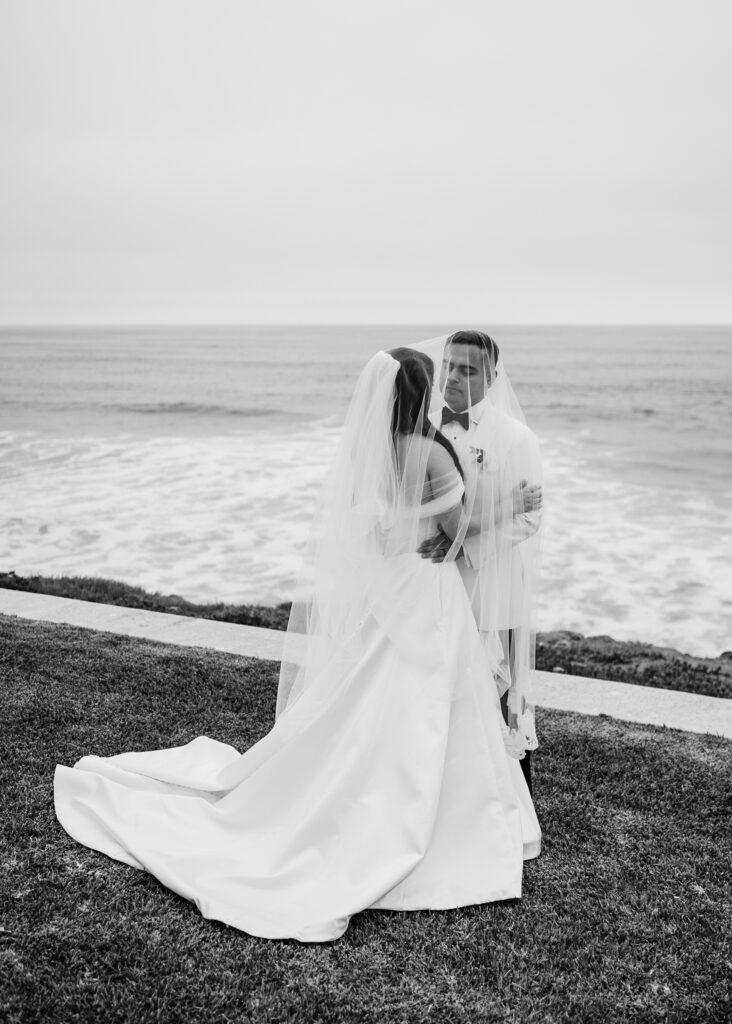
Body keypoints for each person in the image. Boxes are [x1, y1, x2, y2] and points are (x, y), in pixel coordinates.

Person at [54, 344, 540, 944]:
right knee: (427, 700)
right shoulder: (430, 451)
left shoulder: (383, 449)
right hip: (428, 592)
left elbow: (387, 529)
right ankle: (437, 817)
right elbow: (455, 528)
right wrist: (508, 505)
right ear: (419, 393)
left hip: (398, 587)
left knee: (377, 693)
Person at [413, 331, 543, 791]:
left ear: (491, 378)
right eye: (448, 365)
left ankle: (516, 802)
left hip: (495, 588)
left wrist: (464, 547)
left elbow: (530, 517)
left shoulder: (516, 438)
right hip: (435, 587)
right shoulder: (424, 428)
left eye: (466, 370)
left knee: (504, 698)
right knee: (442, 695)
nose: (451, 377)